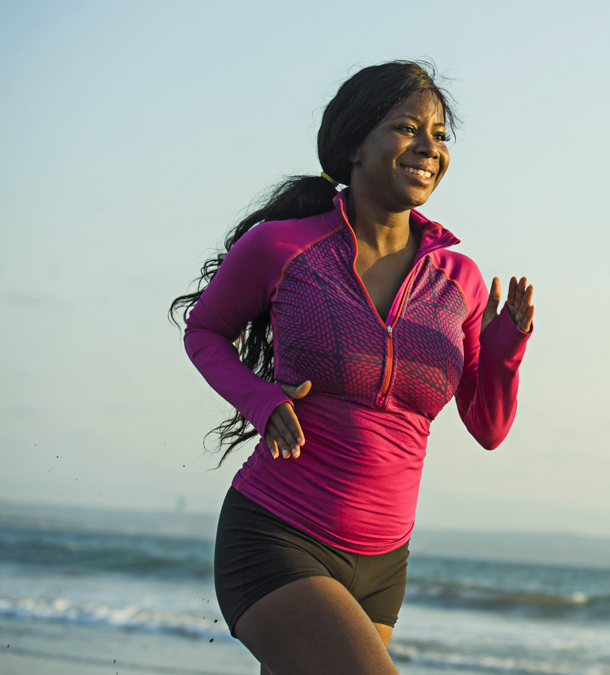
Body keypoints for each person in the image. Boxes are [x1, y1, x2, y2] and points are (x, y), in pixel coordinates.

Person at [170, 61, 534, 675]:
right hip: (278, 535)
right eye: (406, 127)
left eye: (440, 135)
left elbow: (488, 427)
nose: (428, 148)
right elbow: (204, 332)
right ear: (356, 143)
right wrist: (262, 401)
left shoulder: (460, 281)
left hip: (384, 563)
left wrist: (506, 348)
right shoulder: (283, 248)